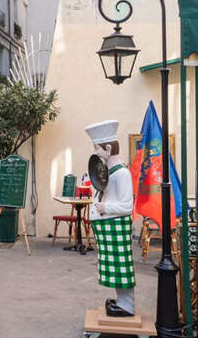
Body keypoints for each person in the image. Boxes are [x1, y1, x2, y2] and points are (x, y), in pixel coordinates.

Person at [86, 120, 136, 318]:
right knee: (115, 269)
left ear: (108, 148)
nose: (96, 152)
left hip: (116, 225)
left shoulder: (122, 173)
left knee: (121, 268)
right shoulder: (110, 172)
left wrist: (104, 207)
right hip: (108, 227)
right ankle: (122, 301)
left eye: (97, 148)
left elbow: (126, 206)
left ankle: (128, 305)